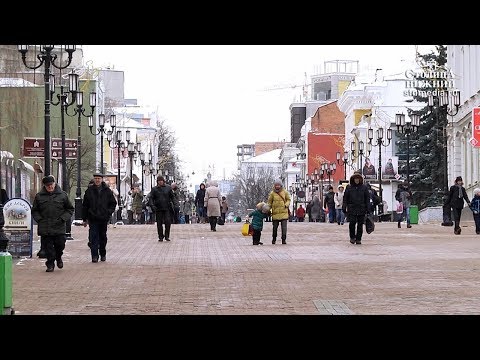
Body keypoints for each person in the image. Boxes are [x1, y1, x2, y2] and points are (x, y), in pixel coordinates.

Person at [32, 175, 74, 272]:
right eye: (48, 186)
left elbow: (70, 209)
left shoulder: (62, 195)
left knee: (60, 244)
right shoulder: (39, 196)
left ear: (54, 184)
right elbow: (35, 210)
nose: (50, 187)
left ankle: (58, 257)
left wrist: (63, 218)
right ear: (45, 186)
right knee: (48, 247)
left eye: (51, 185)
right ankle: (50, 264)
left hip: (59, 226)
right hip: (45, 226)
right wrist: (39, 219)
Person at [82, 173, 117, 263]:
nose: (97, 180)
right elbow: (85, 205)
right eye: (95, 178)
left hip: (103, 218)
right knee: (93, 237)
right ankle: (94, 256)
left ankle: (103, 253)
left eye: (99, 178)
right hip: (93, 218)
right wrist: (84, 218)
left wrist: (108, 212)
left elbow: (113, 203)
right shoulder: (89, 191)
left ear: (102, 180)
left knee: (102, 237)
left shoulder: (107, 191)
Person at [342, 172, 369, 245]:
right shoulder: (349, 187)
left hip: (361, 208)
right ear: (353, 179)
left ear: (360, 180)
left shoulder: (364, 188)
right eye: (355, 179)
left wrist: (368, 208)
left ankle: (358, 238)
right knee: (352, 223)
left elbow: (367, 199)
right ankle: (352, 237)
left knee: (360, 224)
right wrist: (344, 206)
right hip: (352, 208)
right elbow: (345, 198)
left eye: (358, 179)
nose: (357, 180)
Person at [149, 176, 175, 241]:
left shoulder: (168, 188)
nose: (160, 182)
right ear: (157, 182)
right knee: (159, 223)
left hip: (167, 208)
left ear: (163, 181)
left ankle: (167, 236)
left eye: (161, 180)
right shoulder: (154, 189)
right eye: (159, 181)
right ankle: (160, 236)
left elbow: (172, 197)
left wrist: (175, 204)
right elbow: (151, 198)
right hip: (158, 208)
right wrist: (152, 206)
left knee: (167, 222)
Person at [267, 179, 291, 244]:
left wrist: (286, 205)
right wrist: (268, 209)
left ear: (281, 185)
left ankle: (283, 239)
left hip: (283, 212)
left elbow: (288, 199)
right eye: (276, 185)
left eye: (278, 185)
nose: (277, 186)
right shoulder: (272, 193)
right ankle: (274, 238)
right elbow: (269, 202)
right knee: (274, 228)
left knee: (284, 228)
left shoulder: (285, 192)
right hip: (275, 213)